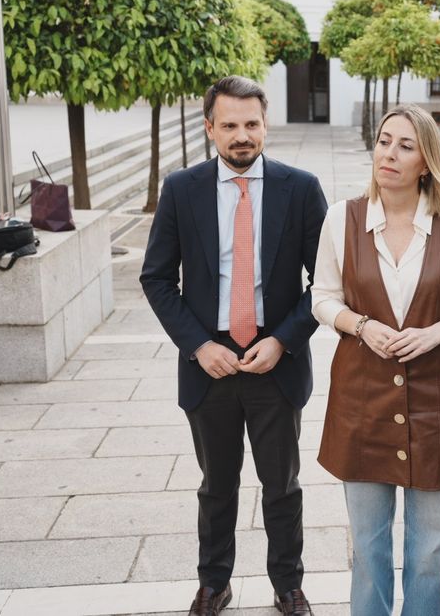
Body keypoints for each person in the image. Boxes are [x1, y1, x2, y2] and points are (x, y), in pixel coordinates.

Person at [141, 76, 326, 616]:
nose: (241, 136)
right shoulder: (182, 189)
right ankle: (213, 583)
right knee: (216, 485)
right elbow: (156, 278)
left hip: (275, 360)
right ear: (210, 128)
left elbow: (327, 283)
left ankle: (288, 586)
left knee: (282, 487)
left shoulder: (301, 187)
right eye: (229, 126)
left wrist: (284, 341)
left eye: (251, 124)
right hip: (211, 362)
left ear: (265, 124)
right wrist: (198, 346)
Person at [311, 104, 440, 616]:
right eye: (385, 141)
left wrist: (436, 333)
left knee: (430, 551)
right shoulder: (340, 218)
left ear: (426, 161)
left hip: (439, 403)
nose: (389, 153)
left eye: (405, 146)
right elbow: (322, 296)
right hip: (362, 401)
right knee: (367, 548)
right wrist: (362, 326)